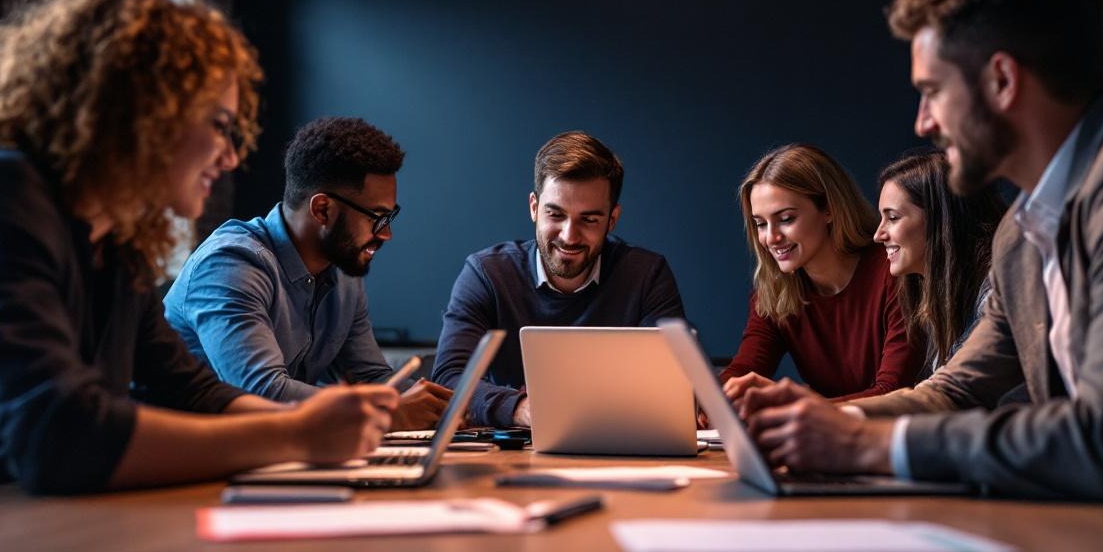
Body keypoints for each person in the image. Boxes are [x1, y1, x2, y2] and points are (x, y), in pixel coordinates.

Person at [739, 0, 1103, 527]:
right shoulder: (1020, 230)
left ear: (1002, 81)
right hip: (1093, 540)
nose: (923, 121)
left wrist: (863, 446)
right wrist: (821, 422)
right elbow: (952, 391)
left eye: (932, 91)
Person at [0, 0, 395, 504]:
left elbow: (188, 388)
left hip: (26, 529)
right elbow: (59, 435)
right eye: (221, 126)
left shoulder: (116, 239)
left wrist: (318, 428)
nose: (230, 157)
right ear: (144, 112)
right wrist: (294, 434)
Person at [164, 117, 452, 429]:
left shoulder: (344, 274)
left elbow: (372, 377)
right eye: (377, 218)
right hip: (183, 460)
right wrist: (389, 413)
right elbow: (262, 392)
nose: (386, 235)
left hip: (267, 454)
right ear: (322, 210)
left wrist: (448, 404)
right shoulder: (231, 265)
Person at [432, 131, 686, 428]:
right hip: (514, 449)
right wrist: (522, 409)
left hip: (621, 444)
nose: (569, 236)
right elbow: (450, 377)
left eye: (589, 219)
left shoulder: (647, 275)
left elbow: (673, 381)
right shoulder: (486, 274)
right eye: (555, 215)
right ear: (534, 208)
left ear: (612, 219)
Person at [721, 143, 925, 403]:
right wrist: (716, 397)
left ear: (828, 209)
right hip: (828, 438)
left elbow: (892, 392)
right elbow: (745, 369)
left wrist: (798, 408)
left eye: (785, 219)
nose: (771, 238)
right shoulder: (775, 291)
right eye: (760, 224)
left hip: (893, 437)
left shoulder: (895, 272)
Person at [874, 149, 1005, 373]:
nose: (878, 235)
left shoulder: (996, 291)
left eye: (893, 218)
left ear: (939, 218)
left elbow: (963, 391)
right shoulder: (939, 297)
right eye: (881, 218)